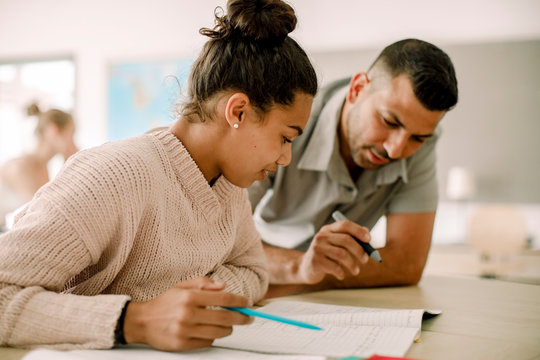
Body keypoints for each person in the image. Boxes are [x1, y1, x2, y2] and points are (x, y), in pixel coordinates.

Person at [0, 0, 317, 352]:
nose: (286, 157)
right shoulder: (113, 176)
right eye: (286, 137)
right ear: (238, 111)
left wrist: (186, 303)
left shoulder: (228, 183)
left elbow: (253, 273)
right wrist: (138, 319)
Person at [248, 38, 458, 297]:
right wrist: (300, 267)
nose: (396, 150)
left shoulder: (421, 143)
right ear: (358, 89)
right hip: (262, 281)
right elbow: (222, 246)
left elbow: (407, 264)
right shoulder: (290, 122)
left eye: (418, 138)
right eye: (389, 121)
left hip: (289, 288)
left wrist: (309, 278)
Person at [0, 103, 78, 228]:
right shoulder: (20, 168)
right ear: (54, 130)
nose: (74, 142)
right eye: (72, 134)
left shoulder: (43, 168)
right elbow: (43, 213)